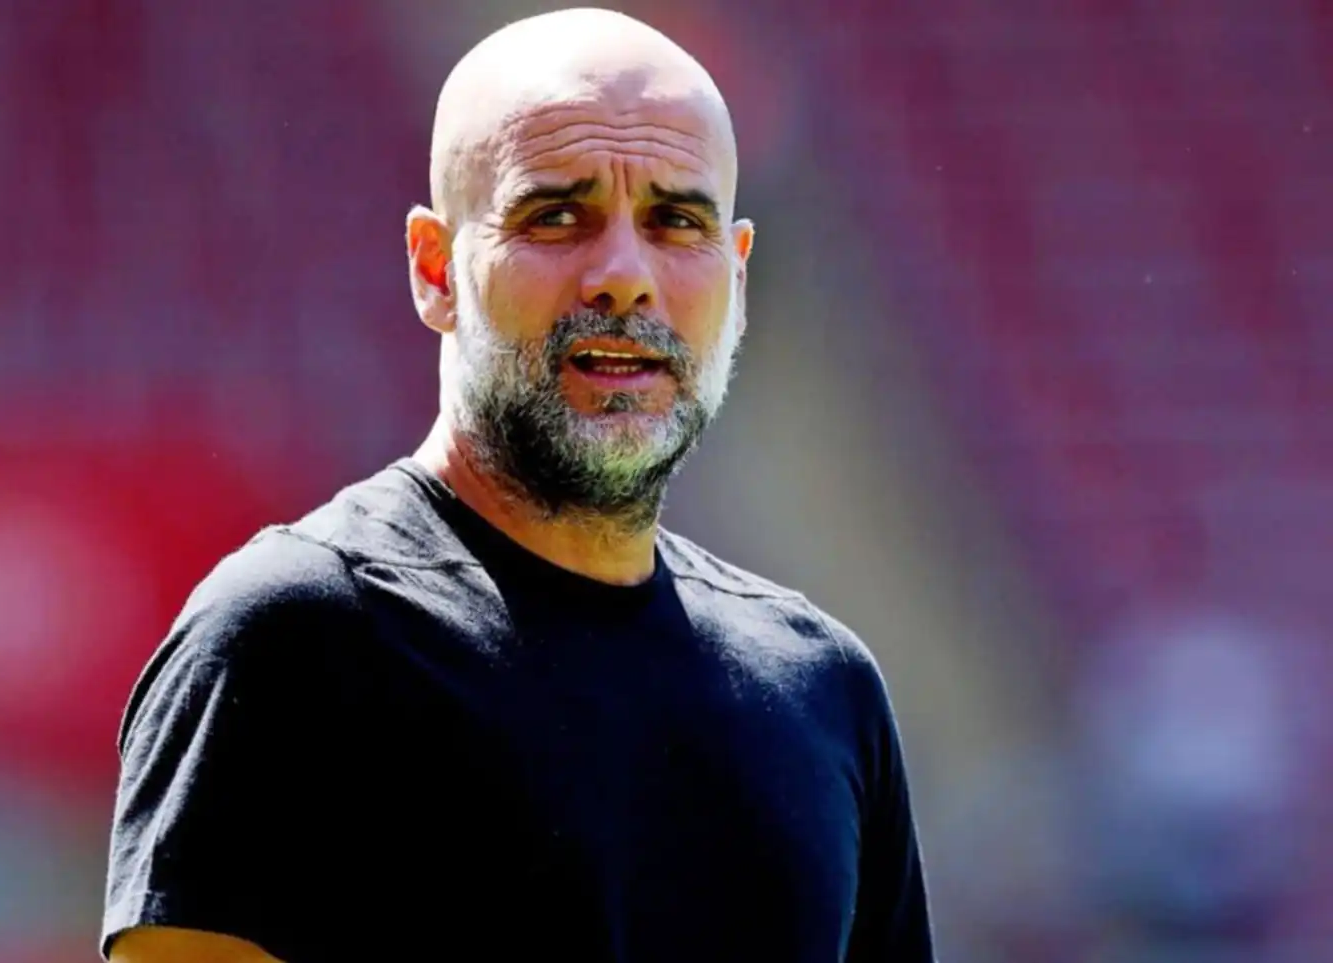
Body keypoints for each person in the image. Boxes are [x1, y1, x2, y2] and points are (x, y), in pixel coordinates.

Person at [100, 7, 937, 962]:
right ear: (435, 269)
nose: (624, 277)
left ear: (737, 280)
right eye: (556, 217)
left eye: (676, 221)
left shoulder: (824, 690)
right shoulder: (292, 641)